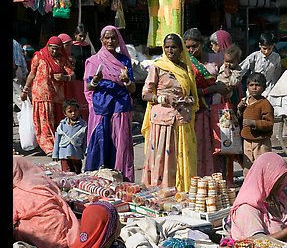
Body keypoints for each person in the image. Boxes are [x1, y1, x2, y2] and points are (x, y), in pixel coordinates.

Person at [141, 33, 199, 192]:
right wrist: (163, 99)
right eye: (166, 47)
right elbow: (145, 94)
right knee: (164, 156)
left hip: (182, 118)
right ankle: (162, 188)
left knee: (180, 156)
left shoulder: (185, 68)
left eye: (173, 47)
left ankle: (181, 188)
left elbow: (193, 96)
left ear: (181, 49)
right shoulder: (158, 66)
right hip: (163, 120)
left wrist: (187, 100)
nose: (170, 50)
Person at [83, 25, 136, 181]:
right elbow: (88, 86)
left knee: (121, 146)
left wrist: (126, 81)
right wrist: (96, 81)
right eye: (107, 38)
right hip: (101, 109)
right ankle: (96, 182)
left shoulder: (124, 61)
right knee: (100, 145)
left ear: (118, 40)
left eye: (113, 38)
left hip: (120, 108)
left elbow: (132, 89)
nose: (110, 41)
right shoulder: (93, 61)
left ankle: (122, 182)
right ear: (101, 40)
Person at [183, 27, 235, 181]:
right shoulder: (185, 63)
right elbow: (187, 91)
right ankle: (200, 179)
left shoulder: (217, 59)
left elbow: (227, 83)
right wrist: (211, 89)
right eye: (188, 47)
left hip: (218, 110)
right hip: (197, 111)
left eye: (195, 46)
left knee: (220, 145)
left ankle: (220, 179)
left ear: (202, 43)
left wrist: (220, 89)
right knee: (199, 147)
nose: (191, 50)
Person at [227, 152, 287, 242]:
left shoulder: (276, 198)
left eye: (283, 178)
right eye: (279, 179)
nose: (282, 183)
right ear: (267, 177)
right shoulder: (247, 209)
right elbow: (259, 241)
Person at [20, 36, 75, 156]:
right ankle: (49, 147)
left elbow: (72, 74)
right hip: (41, 94)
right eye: (52, 49)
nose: (54, 52)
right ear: (48, 46)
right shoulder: (39, 56)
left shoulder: (61, 59)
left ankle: (57, 144)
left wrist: (65, 77)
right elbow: (32, 74)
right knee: (44, 122)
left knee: (56, 122)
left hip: (57, 96)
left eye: (57, 49)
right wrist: (25, 91)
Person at [13, 156, 80, 248]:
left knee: (18, 227)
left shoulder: (17, 193)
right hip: (60, 227)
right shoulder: (40, 181)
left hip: (42, 236)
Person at [237, 72, 274, 176]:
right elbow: (239, 119)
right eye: (251, 85)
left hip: (260, 141)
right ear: (247, 86)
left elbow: (269, 123)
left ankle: (263, 189)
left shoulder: (265, 104)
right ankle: (249, 188)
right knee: (248, 167)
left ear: (263, 88)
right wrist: (239, 109)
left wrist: (254, 123)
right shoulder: (245, 102)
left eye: (257, 85)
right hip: (247, 140)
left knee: (262, 167)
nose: (254, 88)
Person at [239, 32, 282, 98]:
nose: (267, 51)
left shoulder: (276, 57)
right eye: (264, 48)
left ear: (273, 46)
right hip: (254, 89)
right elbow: (242, 68)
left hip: (269, 90)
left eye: (269, 48)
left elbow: (277, 74)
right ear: (260, 45)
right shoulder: (254, 56)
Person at [59, 30, 89, 121]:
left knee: (81, 99)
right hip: (72, 80)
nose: (82, 38)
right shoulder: (71, 48)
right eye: (80, 36)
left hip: (83, 77)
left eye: (84, 36)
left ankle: (82, 119)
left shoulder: (87, 46)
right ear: (75, 35)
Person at [52, 99, 87, 174]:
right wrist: (55, 154)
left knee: (77, 172)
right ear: (65, 113)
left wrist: (86, 151)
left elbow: (85, 140)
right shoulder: (62, 125)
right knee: (66, 172)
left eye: (75, 111)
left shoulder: (83, 125)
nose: (73, 113)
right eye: (70, 111)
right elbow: (57, 140)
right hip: (64, 153)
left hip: (76, 153)